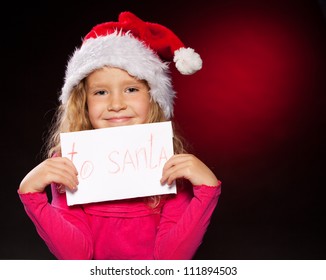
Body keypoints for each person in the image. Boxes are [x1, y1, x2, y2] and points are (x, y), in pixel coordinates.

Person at [18, 11, 221, 260]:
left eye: (131, 89)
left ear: (154, 99)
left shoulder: (172, 165)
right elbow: (78, 257)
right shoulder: (68, 164)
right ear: (83, 103)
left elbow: (170, 260)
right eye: (101, 92)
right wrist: (32, 196)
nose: (116, 104)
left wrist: (206, 191)